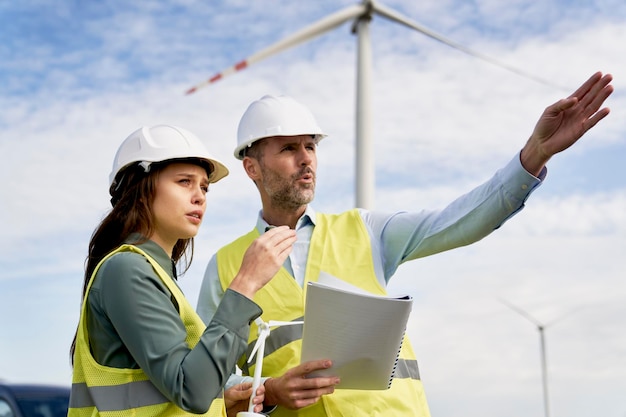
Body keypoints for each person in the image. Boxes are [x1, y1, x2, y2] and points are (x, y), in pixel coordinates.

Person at [196, 72, 614, 416]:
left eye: (311, 146)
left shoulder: (365, 231)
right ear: (252, 168)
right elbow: (208, 377)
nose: (306, 158)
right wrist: (268, 390)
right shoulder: (226, 266)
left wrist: (533, 156)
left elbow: (459, 222)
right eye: (289, 148)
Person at [67, 124, 297, 417]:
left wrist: (219, 402)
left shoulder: (154, 273)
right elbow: (192, 390)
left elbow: (174, 391)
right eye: (184, 181)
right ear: (139, 190)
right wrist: (245, 283)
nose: (200, 196)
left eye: (204, 187)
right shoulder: (127, 270)